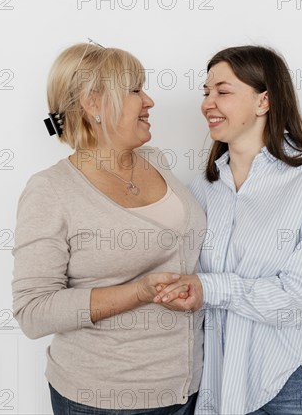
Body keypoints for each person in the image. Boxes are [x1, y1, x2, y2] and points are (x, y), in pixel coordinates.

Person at [154, 45, 302, 415]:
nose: (208, 103)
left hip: (295, 380)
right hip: (222, 383)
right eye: (206, 92)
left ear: (263, 101)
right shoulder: (201, 190)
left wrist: (211, 287)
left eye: (223, 91)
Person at [11, 40, 206, 415]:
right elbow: (33, 311)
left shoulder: (156, 160)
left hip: (186, 388)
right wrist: (140, 291)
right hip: (102, 400)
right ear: (94, 103)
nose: (149, 101)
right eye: (135, 90)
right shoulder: (50, 191)